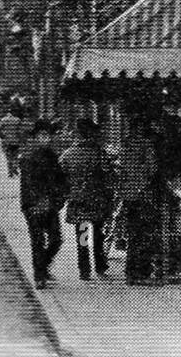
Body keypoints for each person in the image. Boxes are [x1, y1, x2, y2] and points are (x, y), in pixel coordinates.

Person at [59, 118, 114, 281]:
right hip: (97, 199)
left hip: (78, 200)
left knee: (82, 236)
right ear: (90, 133)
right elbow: (109, 175)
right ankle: (100, 266)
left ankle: (84, 270)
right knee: (98, 234)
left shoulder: (67, 154)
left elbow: (61, 177)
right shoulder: (98, 153)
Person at [19, 119, 68, 289]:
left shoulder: (52, 156)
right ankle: (39, 276)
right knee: (38, 240)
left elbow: (61, 180)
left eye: (47, 136)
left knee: (56, 239)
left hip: (50, 204)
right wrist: (35, 204)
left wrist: (60, 198)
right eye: (41, 136)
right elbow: (28, 184)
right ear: (35, 137)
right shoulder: (28, 157)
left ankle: (43, 266)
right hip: (34, 205)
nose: (45, 139)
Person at [118, 122, 161, 285]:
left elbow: (122, 171)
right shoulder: (146, 145)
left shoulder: (126, 145)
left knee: (133, 235)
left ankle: (130, 272)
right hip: (143, 195)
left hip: (128, 196)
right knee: (144, 235)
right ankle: (141, 273)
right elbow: (153, 168)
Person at [0, 103, 27, 177]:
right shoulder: (17, 120)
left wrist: (3, 136)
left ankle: (10, 172)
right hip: (16, 141)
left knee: (8, 157)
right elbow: (20, 131)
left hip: (6, 141)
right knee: (15, 156)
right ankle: (14, 167)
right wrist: (22, 140)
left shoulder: (3, 120)